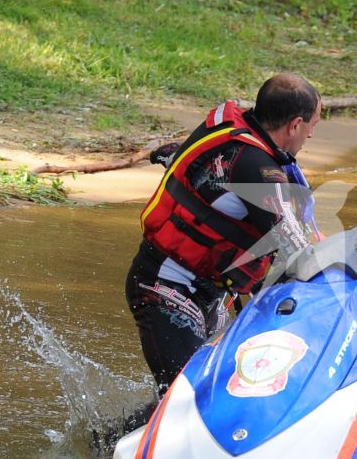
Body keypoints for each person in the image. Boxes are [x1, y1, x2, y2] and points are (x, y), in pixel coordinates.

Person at [125, 73, 322, 393]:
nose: (312, 134)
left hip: (209, 294)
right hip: (165, 286)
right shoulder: (260, 174)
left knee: (221, 391)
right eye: (313, 124)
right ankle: (107, 442)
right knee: (187, 400)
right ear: (294, 125)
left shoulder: (229, 129)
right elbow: (298, 254)